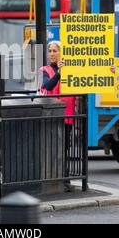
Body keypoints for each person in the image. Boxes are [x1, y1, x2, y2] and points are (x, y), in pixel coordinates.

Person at [39, 41, 76, 191]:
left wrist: (110, 71)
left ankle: (64, 179)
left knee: (65, 149)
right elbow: (47, 85)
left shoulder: (71, 68)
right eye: (50, 51)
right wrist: (59, 73)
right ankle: (52, 180)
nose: (52, 53)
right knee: (51, 148)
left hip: (68, 116)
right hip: (52, 115)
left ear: (61, 53)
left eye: (55, 51)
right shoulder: (45, 69)